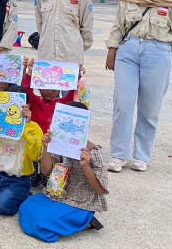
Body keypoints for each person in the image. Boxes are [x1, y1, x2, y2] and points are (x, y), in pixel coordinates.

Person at [105, 0, 172, 172]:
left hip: (157, 53)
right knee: (122, 104)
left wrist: (162, 48)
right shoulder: (128, 0)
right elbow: (118, 27)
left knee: (150, 108)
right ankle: (119, 155)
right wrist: (111, 51)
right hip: (128, 52)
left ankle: (141, 156)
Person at [18, 102, 108, 242]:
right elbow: (47, 171)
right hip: (57, 195)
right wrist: (46, 146)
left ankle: (87, 223)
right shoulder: (58, 145)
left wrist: (86, 166)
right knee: (26, 207)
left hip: (80, 202)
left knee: (42, 224)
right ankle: (71, 221)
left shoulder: (93, 152)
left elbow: (100, 189)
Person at [0, 86, 42, 216]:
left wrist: (26, 126)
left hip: (19, 178)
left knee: (0, 206)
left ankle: (22, 193)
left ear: (27, 106)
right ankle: (6, 193)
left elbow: (36, 156)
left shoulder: (34, 127)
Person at [21, 56, 75, 186]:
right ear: (39, 87)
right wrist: (29, 71)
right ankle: (35, 175)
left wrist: (76, 75)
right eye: (47, 88)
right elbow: (26, 88)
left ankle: (46, 175)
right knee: (33, 176)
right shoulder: (34, 101)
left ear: (59, 90)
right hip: (34, 142)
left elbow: (71, 94)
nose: (50, 92)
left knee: (49, 172)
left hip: (52, 143)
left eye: (54, 89)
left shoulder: (61, 103)